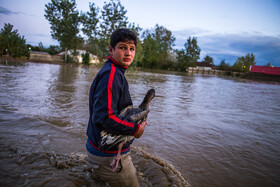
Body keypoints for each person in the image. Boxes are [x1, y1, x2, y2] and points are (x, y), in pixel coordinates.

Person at [86, 28, 147, 187]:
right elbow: (104, 117)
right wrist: (136, 129)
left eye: (132, 49)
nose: (128, 53)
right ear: (111, 50)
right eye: (122, 47)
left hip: (99, 149)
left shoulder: (115, 72)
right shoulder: (111, 75)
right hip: (107, 156)